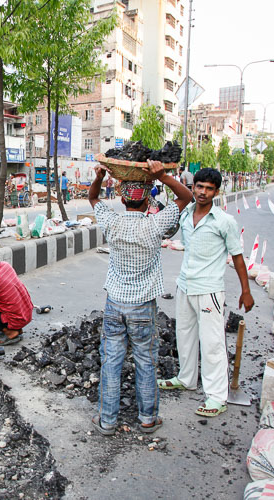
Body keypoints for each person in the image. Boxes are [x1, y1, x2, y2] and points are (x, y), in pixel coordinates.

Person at [88, 160, 193, 436]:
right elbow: (186, 197)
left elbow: (93, 196)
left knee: (111, 361)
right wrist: (163, 176)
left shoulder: (111, 222)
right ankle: (148, 419)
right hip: (143, 305)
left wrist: (99, 177)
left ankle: (107, 421)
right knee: (146, 361)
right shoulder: (156, 224)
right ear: (148, 200)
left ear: (122, 198)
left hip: (114, 303)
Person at [158, 168, 254, 418]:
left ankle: (217, 396)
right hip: (185, 285)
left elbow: (237, 257)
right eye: (199, 186)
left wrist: (246, 291)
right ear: (194, 187)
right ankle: (186, 378)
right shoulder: (187, 213)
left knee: (212, 344)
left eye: (209, 188)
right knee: (185, 335)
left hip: (209, 289)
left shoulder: (224, 221)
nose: (202, 192)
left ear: (216, 192)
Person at [0, 248, 33, 346]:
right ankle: (16, 329)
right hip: (26, 313)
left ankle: (10, 332)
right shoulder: (5, 265)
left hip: (16, 319)